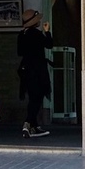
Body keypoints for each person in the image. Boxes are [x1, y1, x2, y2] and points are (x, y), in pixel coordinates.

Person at [17, 8, 52, 139]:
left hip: (26, 69)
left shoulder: (22, 34)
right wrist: (47, 32)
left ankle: (34, 125)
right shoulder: (36, 34)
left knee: (32, 97)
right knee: (37, 98)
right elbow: (49, 45)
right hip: (37, 70)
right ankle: (28, 124)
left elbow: (20, 52)